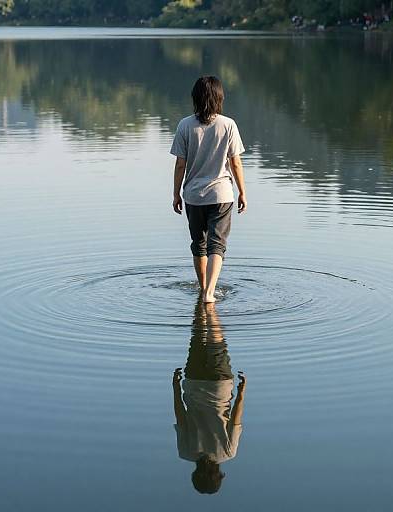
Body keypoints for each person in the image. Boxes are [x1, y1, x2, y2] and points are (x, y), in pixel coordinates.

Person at [170, 76, 247, 303]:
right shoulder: (228, 124)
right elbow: (235, 162)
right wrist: (242, 191)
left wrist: (176, 193)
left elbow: (180, 163)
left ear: (195, 99)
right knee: (217, 244)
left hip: (193, 196)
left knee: (199, 244)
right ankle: (209, 292)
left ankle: (202, 288)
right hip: (221, 194)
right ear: (219, 98)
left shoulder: (185, 125)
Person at [172, 299, 246, 494]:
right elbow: (180, 415)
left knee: (216, 338)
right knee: (196, 335)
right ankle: (204, 301)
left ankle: (210, 304)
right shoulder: (185, 452)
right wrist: (175, 387)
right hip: (194, 383)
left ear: (219, 474)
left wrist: (242, 391)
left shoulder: (228, 453)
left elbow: (236, 419)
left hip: (219, 386)